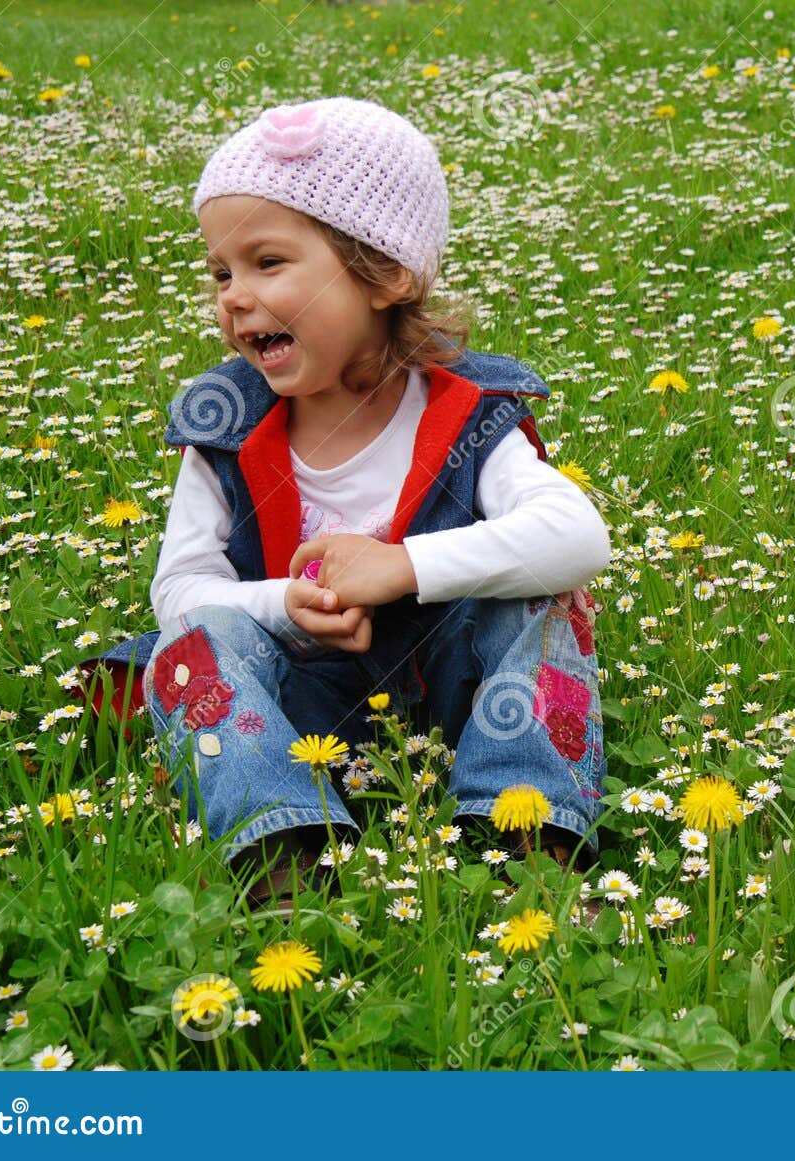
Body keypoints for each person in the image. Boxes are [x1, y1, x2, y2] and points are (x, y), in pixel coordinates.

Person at [71, 97, 611, 916]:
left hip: (460, 702)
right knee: (192, 644)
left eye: (268, 262)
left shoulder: (466, 412)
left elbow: (578, 535)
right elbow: (179, 590)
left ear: (386, 273)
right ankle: (280, 842)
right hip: (299, 715)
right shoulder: (227, 425)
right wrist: (283, 606)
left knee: (547, 599)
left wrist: (402, 567)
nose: (235, 297)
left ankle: (524, 833)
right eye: (222, 272)